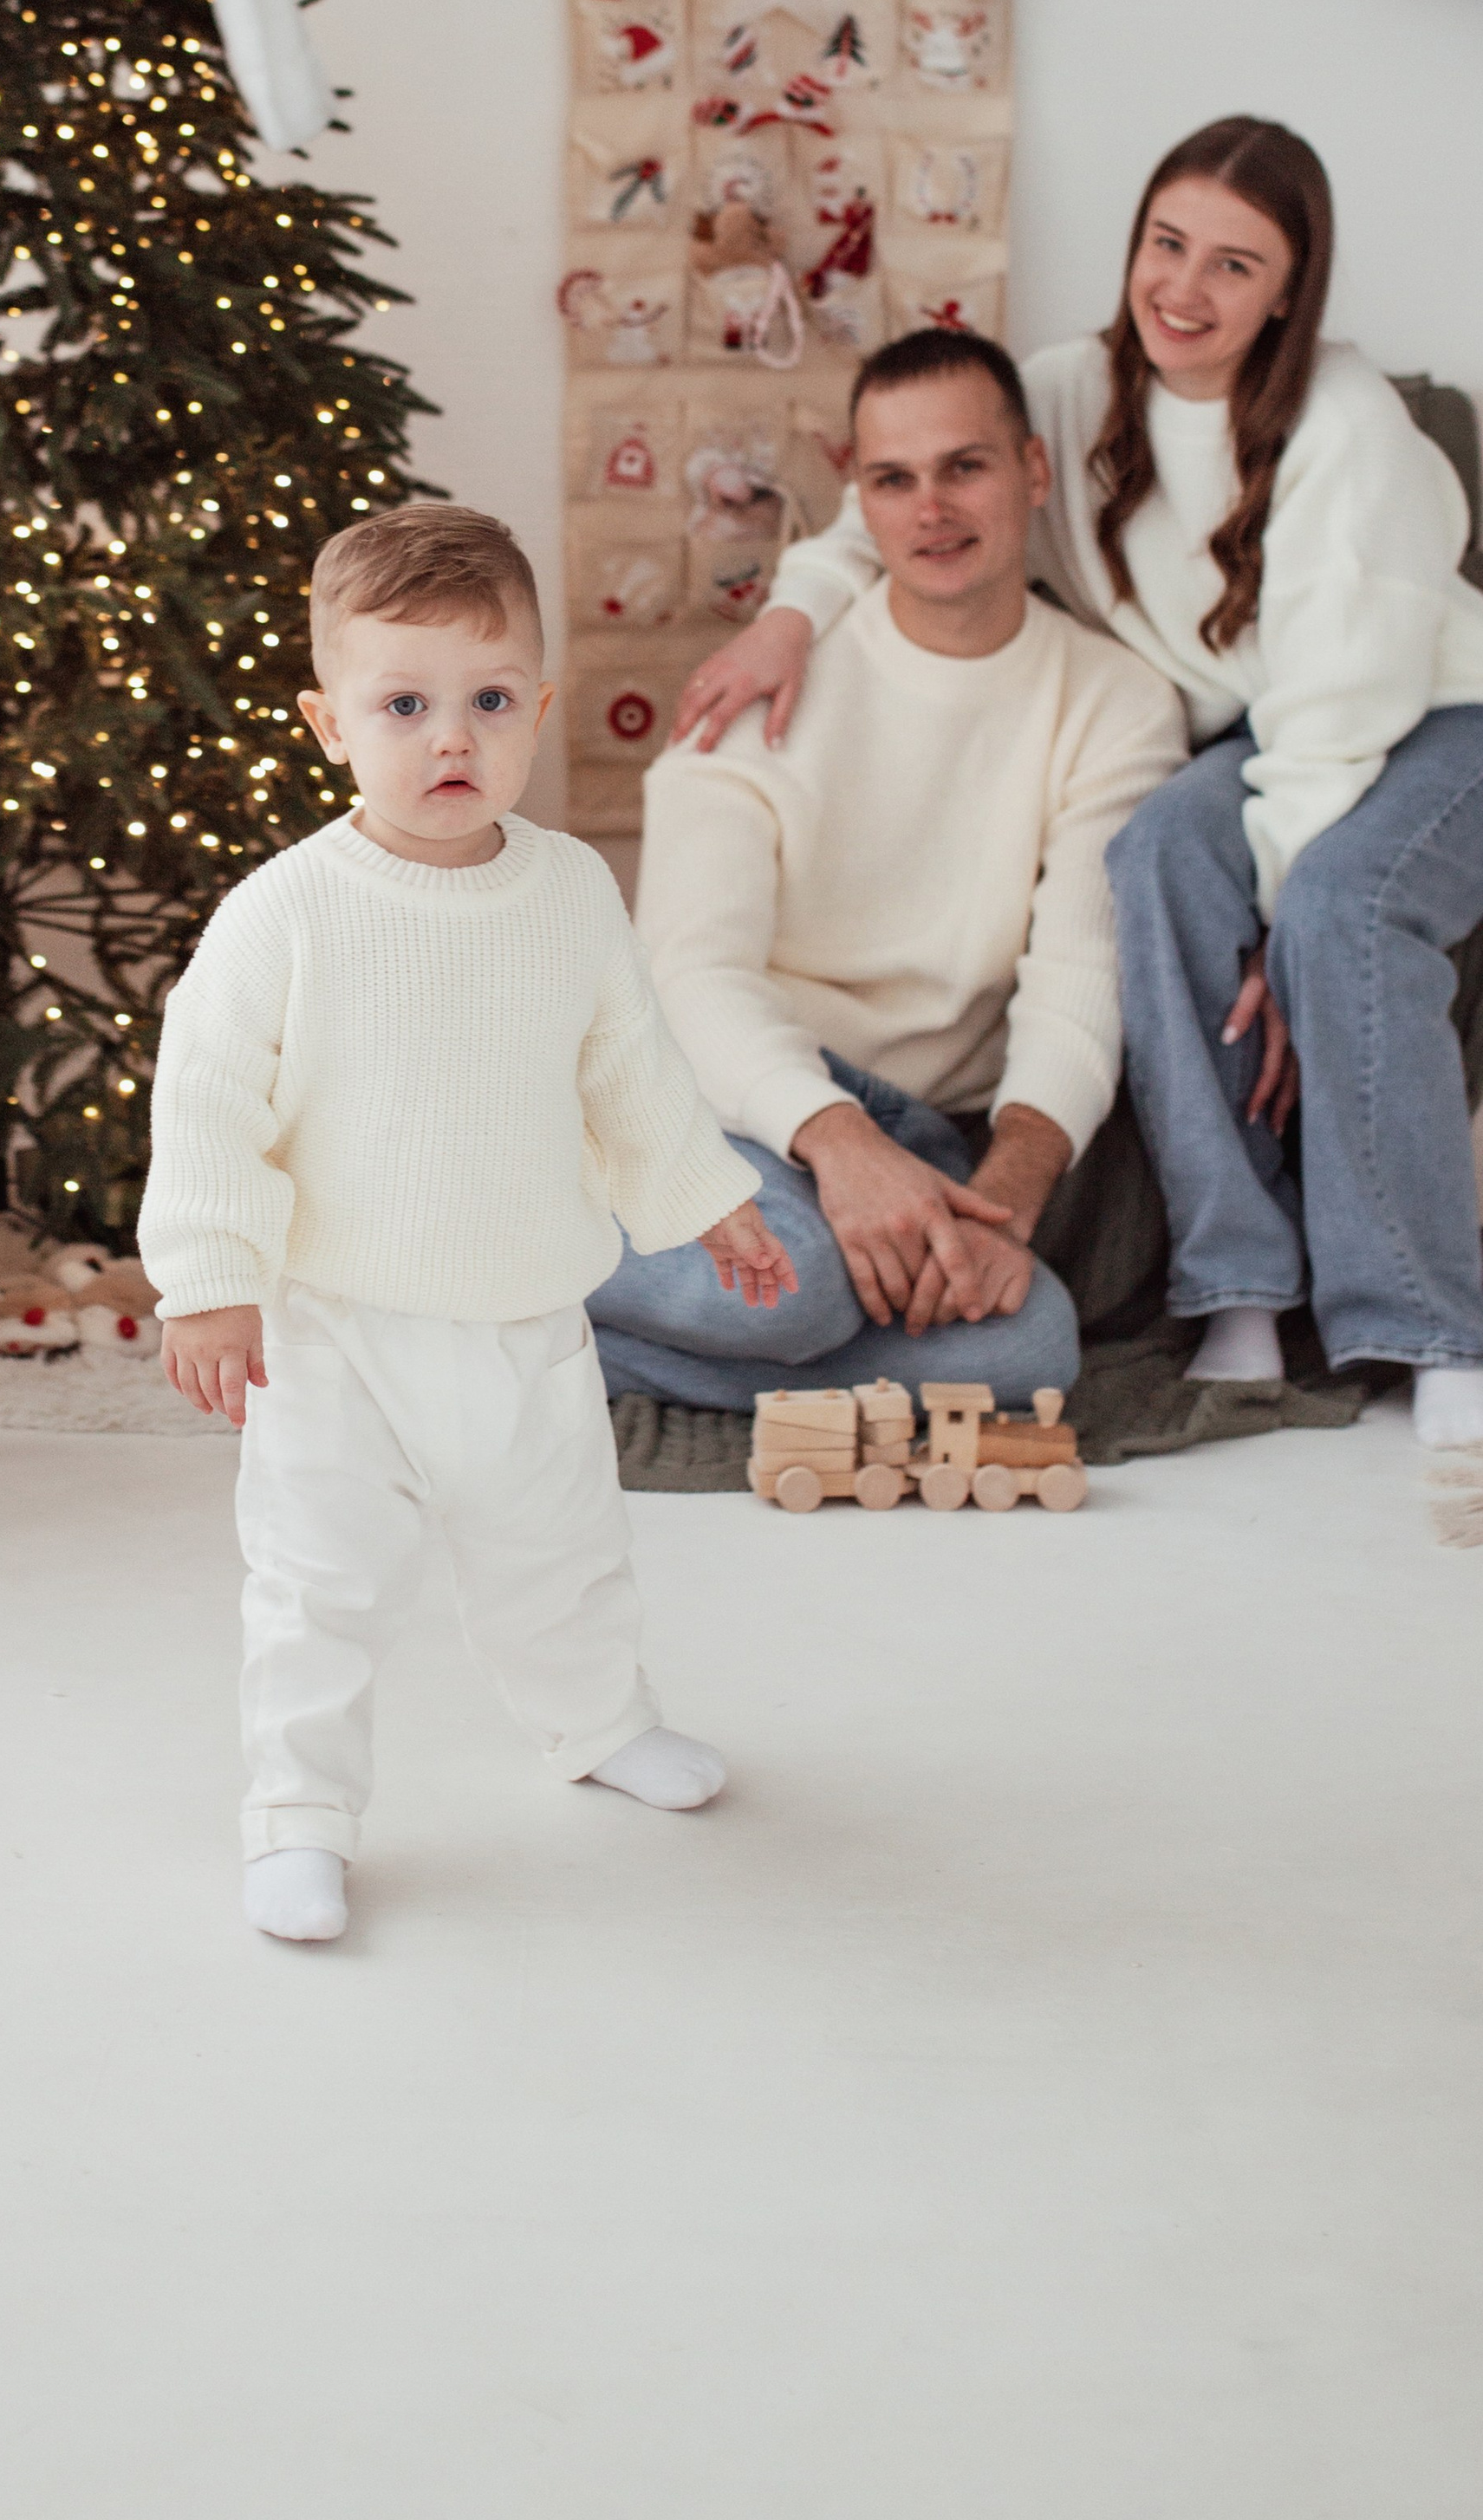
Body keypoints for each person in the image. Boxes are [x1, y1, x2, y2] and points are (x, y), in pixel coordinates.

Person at [675, 117, 1483, 1447]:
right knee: (1152, 854)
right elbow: (886, 493)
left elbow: (1346, 709)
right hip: (1268, 737)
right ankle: (1232, 1287)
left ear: (1290, 289)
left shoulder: (1350, 430)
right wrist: (791, 617)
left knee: (1338, 909)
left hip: (1428, 721)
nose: (1184, 288)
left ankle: (1427, 1325)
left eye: (1235, 265)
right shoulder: (1062, 392)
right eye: (1167, 245)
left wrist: (1280, 933)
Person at [140, 502, 797, 1947]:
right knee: (316, 1592)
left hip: (524, 1323)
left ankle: (597, 1725)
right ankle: (297, 1819)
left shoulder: (567, 891)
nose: (453, 739)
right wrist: (208, 1285)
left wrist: (712, 1205)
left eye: (489, 703)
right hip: (335, 1337)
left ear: (539, 709)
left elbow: (630, 1069)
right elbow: (207, 1107)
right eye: (405, 705)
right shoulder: (286, 913)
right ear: (328, 722)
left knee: (563, 1554)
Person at [590, 329, 1187, 1413]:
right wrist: (837, 1141)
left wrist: (998, 1210)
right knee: (801, 1288)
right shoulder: (754, 699)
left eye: (965, 467)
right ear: (857, 500)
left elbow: (1078, 984)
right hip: (722, 1098)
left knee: (1031, 1345)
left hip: (925, 1131)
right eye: (893, 480)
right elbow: (688, 981)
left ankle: (526, 1344)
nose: (932, 510)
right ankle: (488, 1281)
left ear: (1032, 471)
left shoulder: (1115, 703)